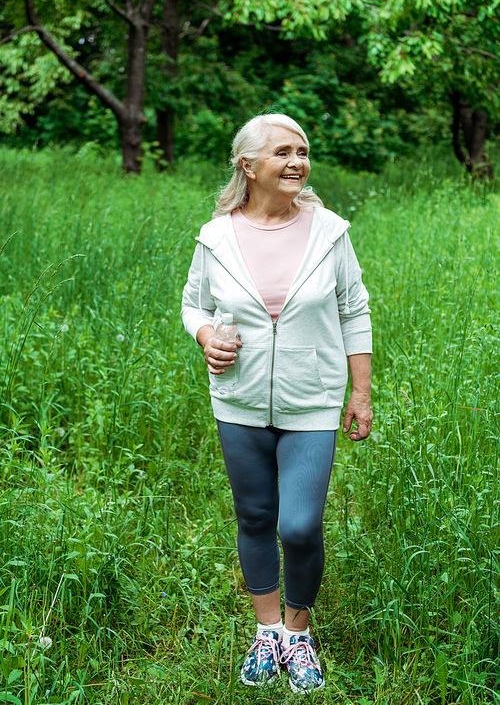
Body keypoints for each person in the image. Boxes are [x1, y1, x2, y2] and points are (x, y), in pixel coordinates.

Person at [181, 113, 372, 693]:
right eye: (283, 152)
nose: (297, 162)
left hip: (312, 397)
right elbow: (193, 304)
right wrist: (206, 336)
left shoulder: (330, 231)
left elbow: (353, 309)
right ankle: (268, 632)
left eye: (303, 152)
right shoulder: (215, 237)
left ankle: (299, 632)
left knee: (299, 524)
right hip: (238, 398)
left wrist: (359, 390)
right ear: (249, 165)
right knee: (256, 516)